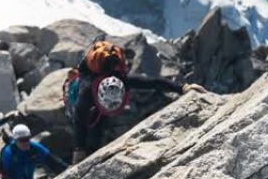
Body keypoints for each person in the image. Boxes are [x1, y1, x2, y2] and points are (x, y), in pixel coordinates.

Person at [65, 40, 205, 163]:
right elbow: (79, 119)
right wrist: (79, 148)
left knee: (99, 127)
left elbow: (152, 82)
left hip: (100, 94)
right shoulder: (86, 93)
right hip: (88, 94)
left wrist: (182, 88)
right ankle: (92, 148)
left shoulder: (123, 80)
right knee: (94, 130)